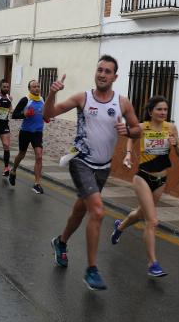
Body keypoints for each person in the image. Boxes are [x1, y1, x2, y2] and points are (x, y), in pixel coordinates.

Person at [45, 55, 140, 291]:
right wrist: (51, 94)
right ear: (95, 72)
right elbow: (48, 114)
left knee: (81, 209)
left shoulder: (123, 103)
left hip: (103, 166)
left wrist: (128, 130)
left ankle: (61, 241)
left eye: (108, 71)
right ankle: (91, 269)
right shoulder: (83, 98)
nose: (102, 74)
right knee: (97, 211)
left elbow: (138, 130)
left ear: (115, 77)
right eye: (100, 70)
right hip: (81, 160)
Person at [110, 96, 179, 277]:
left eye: (165, 110)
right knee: (152, 221)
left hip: (161, 179)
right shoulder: (142, 127)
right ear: (151, 111)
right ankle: (152, 263)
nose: (163, 113)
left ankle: (119, 227)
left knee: (141, 213)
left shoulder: (171, 128)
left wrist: (175, 145)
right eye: (159, 109)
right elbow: (130, 138)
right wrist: (128, 154)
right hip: (142, 176)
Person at [8, 80, 49, 194]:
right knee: (22, 154)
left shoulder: (42, 99)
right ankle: (14, 170)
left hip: (37, 132)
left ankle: (37, 183)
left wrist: (46, 117)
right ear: (29, 89)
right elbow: (14, 114)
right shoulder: (25, 100)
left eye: (38, 86)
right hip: (25, 131)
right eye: (34, 86)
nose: (37, 88)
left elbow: (43, 113)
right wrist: (24, 115)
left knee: (39, 156)